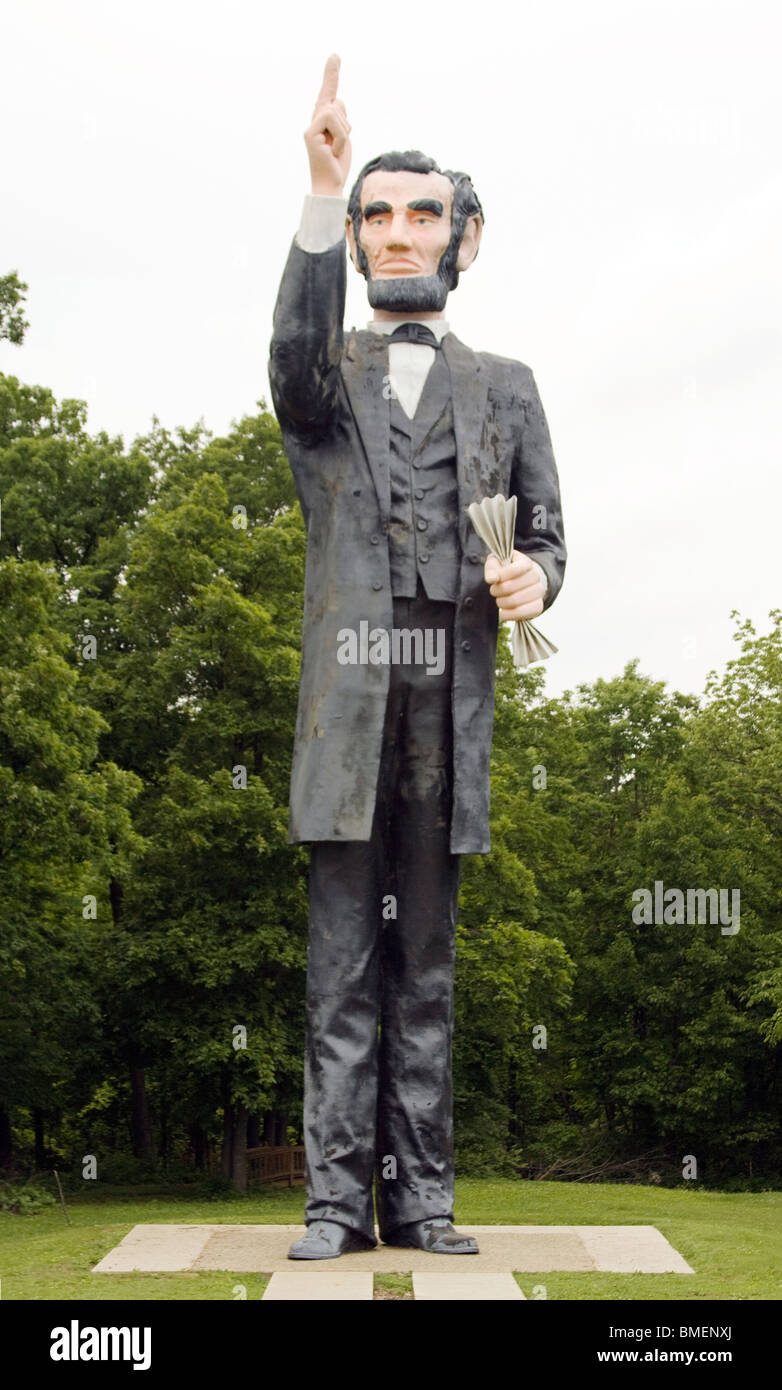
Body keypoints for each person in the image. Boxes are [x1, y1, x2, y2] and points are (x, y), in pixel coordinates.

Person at [269, 55, 566, 1259]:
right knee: (340, 964)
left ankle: (423, 1199)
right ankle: (337, 1205)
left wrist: (533, 575)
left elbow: (546, 529)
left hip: (451, 697)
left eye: (421, 211)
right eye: (376, 215)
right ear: (353, 238)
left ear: (465, 235)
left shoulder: (508, 388)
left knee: (425, 965)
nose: (399, 233)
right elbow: (287, 354)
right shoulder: (322, 377)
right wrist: (314, 187)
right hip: (348, 702)